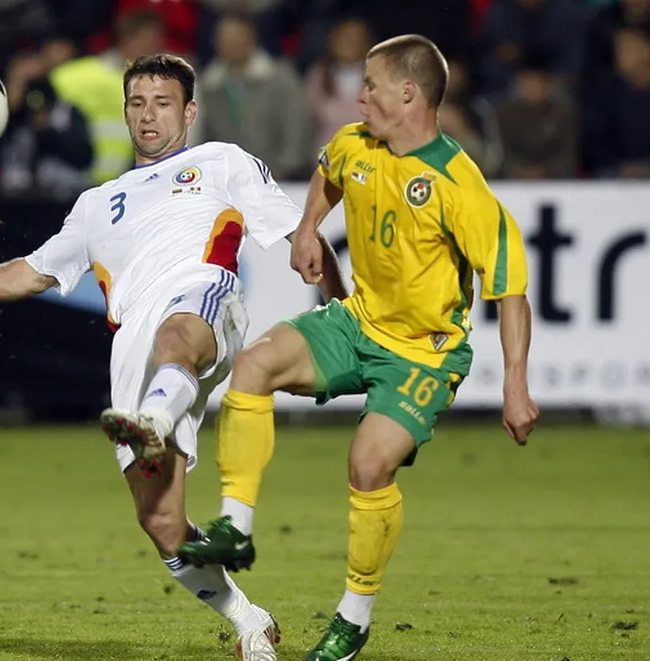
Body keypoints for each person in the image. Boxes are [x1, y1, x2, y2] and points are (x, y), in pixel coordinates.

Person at [0, 53, 346, 661]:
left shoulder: (222, 162)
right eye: (137, 103)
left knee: (175, 337)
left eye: (162, 103)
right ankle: (248, 620)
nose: (148, 115)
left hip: (202, 295)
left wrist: (342, 309)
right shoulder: (95, 203)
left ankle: (155, 417)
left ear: (189, 111)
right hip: (133, 341)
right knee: (161, 524)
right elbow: (32, 272)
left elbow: (304, 235)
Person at [178, 35, 540, 661]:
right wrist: (308, 228)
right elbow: (329, 172)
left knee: (369, 467)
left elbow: (509, 292)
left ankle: (353, 618)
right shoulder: (356, 144)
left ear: (410, 92)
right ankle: (235, 526)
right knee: (254, 364)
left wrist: (515, 385)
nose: (360, 95)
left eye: (372, 84)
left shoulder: (460, 185)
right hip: (358, 322)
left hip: (424, 353)